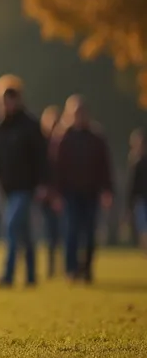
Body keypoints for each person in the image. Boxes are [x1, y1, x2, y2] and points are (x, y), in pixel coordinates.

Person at [0, 78, 48, 288]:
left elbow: (41, 156)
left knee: (10, 227)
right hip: (6, 187)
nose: (7, 105)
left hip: (25, 187)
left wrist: (43, 183)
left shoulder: (30, 124)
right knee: (23, 231)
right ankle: (30, 276)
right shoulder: (0, 126)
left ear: (18, 100)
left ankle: (8, 274)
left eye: (11, 100)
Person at [50, 95, 114, 283]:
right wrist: (55, 194)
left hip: (91, 192)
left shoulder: (96, 138)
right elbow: (56, 168)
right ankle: (71, 269)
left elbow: (105, 166)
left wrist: (107, 190)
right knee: (71, 231)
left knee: (90, 232)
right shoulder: (63, 138)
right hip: (70, 193)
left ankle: (86, 269)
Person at [38, 105, 63, 277]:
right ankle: (51, 267)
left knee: (61, 233)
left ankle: (64, 267)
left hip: (61, 196)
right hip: (46, 198)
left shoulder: (64, 145)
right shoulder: (42, 146)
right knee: (50, 233)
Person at [126, 129, 146, 252]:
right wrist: (130, 203)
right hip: (140, 199)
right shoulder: (135, 162)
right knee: (143, 225)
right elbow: (132, 185)